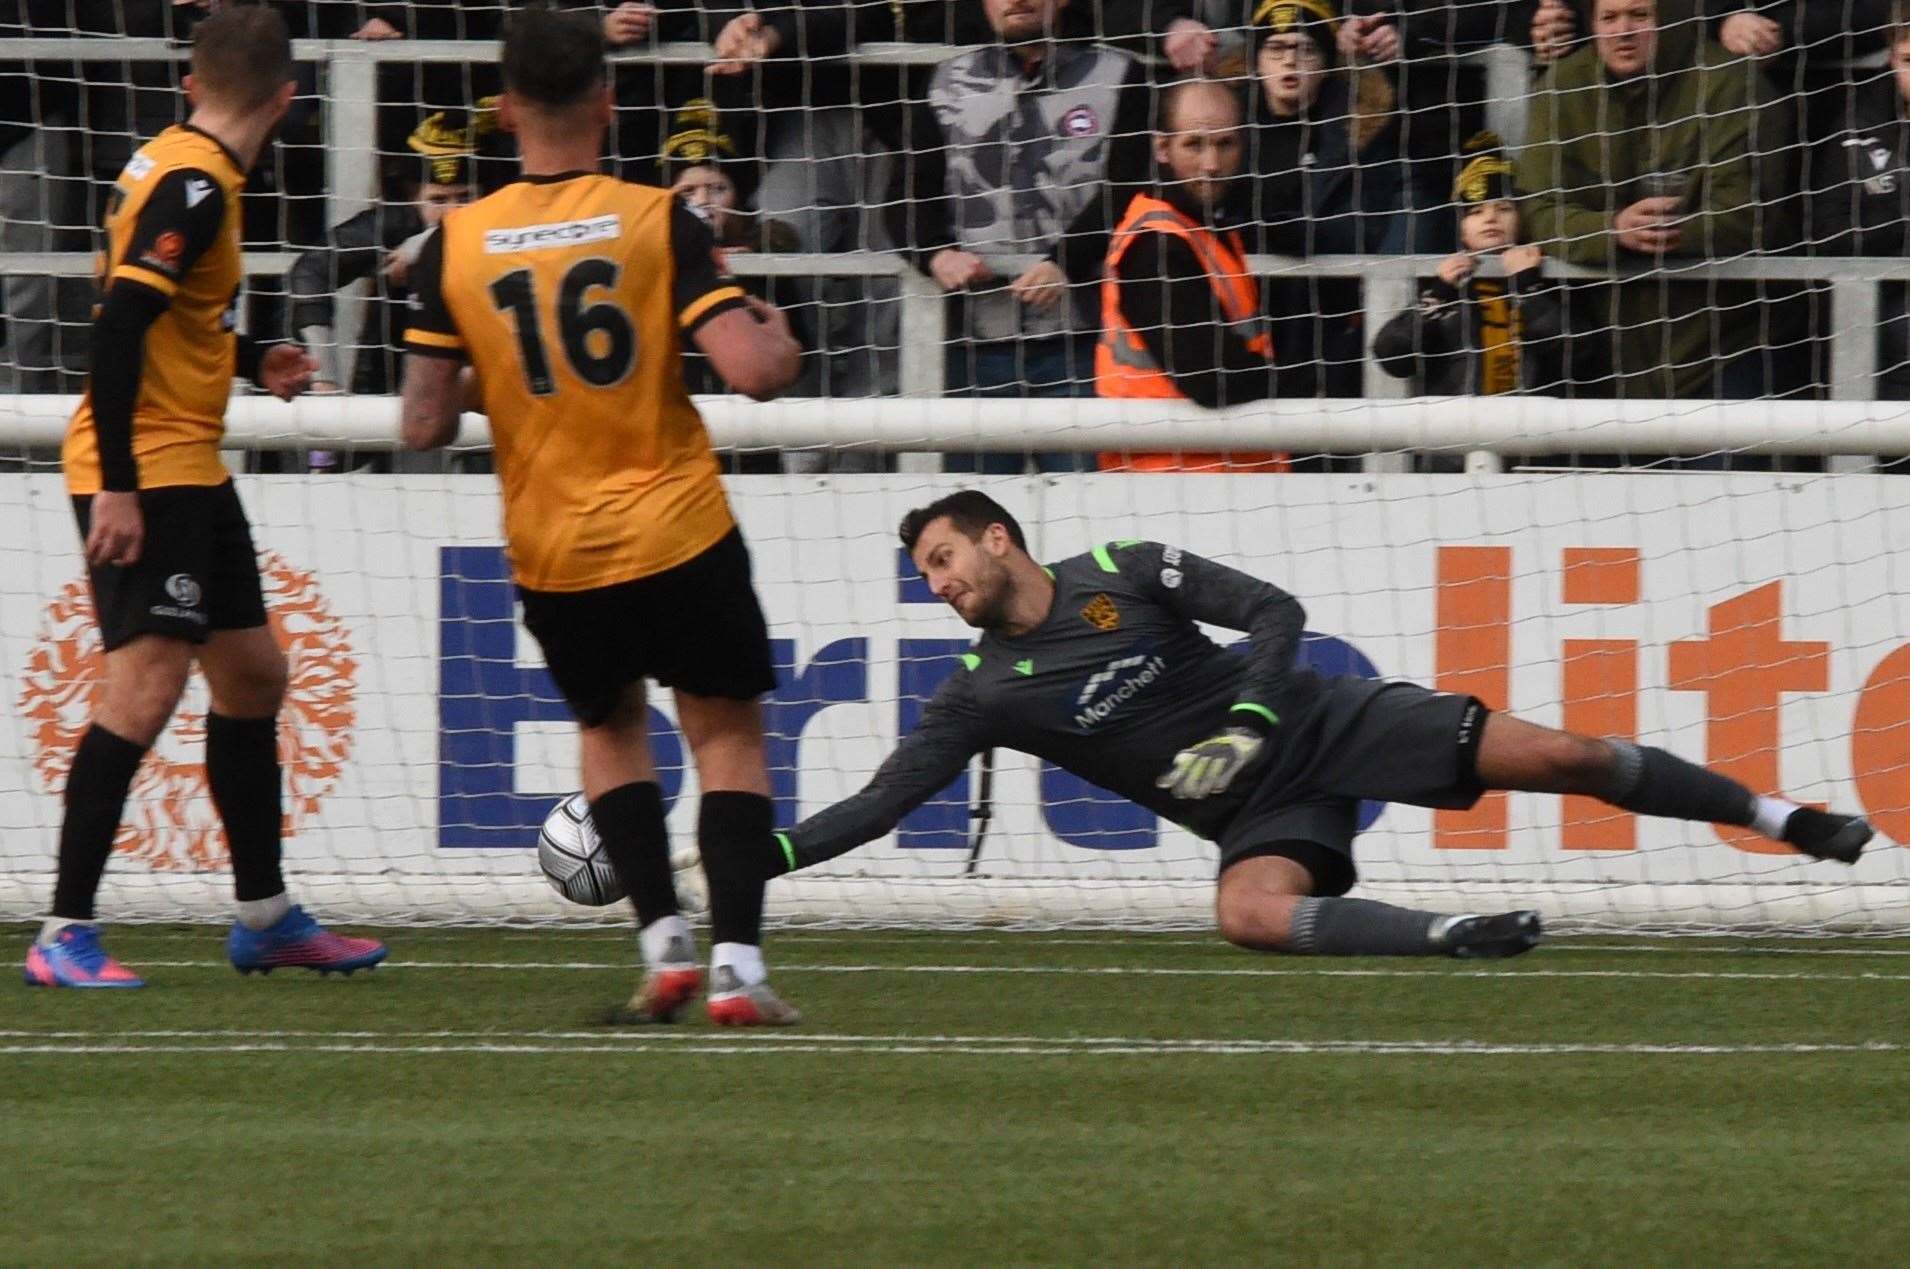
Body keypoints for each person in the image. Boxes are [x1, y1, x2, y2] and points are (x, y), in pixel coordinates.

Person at [749, 490, 1871, 958]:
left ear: (997, 538)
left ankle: (1788, 817)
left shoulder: (1124, 570)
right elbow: (887, 799)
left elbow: (1273, 613)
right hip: (1268, 809)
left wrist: (1243, 715)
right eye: (924, 573)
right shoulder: (977, 693)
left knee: (1565, 753)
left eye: (943, 557)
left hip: (1320, 722)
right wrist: (772, 854)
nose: (937, 582)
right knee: (1245, 912)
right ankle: (1447, 939)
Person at [400, 8, 805, 1026]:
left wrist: (493, 373)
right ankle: (740, 973)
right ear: (608, 103)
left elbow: (420, 421)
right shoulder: (655, 216)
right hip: (676, 524)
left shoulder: (455, 244)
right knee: (724, 740)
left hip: (554, 547)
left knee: (607, 727)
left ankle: (664, 951)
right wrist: (775, 331)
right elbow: (751, 376)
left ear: (500, 112)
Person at [25, 6, 385, 990]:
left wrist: (243, 356)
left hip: (188, 463)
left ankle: (264, 916)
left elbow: (165, 323)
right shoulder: (195, 187)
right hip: (150, 468)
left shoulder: (176, 163)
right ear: (287, 99)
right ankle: (63, 931)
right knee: (143, 689)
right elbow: (118, 327)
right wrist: (118, 489)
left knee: (255, 677)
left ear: (191, 84)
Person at [889, 0, 1153, 468]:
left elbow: (1131, 190)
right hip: (972, 350)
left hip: (1087, 342)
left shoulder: (1121, 76)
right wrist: (934, 255)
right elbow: (906, 195)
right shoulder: (944, 83)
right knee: (976, 521)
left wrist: (1063, 262)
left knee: (1089, 512)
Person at [1515, 0, 1794, 401]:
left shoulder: (1733, 85)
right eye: (1609, 18)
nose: (1623, 31)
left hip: (1726, 348)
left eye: (1639, 15)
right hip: (1599, 358)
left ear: (1669, 18)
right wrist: (1611, 230)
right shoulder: (1562, 87)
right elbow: (1537, 209)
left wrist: (1667, 232)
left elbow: (1747, 216)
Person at [1095, 78, 1289, 470]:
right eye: (1195, 144)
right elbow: (1211, 379)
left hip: (1219, 474)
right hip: (1169, 477)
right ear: (1162, 147)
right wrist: (1296, 381)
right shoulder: (1156, 244)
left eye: (1225, 144)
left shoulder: (1206, 231)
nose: (1212, 164)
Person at [287, 109, 479, 417]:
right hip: (393, 376)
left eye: (465, 198)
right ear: (412, 196)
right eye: (439, 200)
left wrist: (425, 247)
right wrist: (324, 377)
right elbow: (309, 272)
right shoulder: (394, 225)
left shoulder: (498, 224)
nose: (453, 213)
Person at [1374, 133, 1567, 395]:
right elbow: (1392, 356)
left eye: (1504, 208)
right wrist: (1436, 295)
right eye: (1476, 212)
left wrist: (1529, 288)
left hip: (1529, 429)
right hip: (1458, 428)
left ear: (1521, 221)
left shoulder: (1543, 279)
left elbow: (1575, 353)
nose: (1490, 218)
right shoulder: (1447, 290)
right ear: (1462, 230)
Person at [1811, 16, 1910, 401]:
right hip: (1876, 302)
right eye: (1908, 59)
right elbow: (1830, 230)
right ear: (1891, 59)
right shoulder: (1856, 125)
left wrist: (1884, 212)